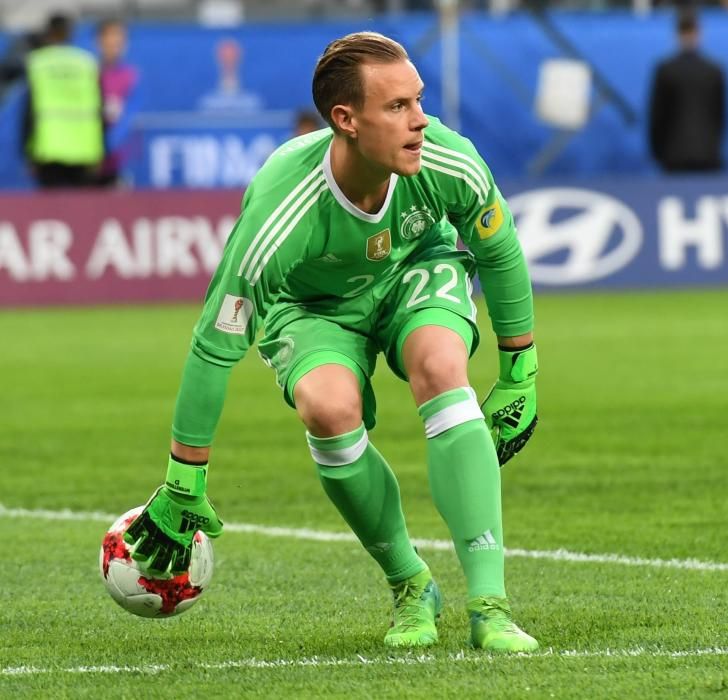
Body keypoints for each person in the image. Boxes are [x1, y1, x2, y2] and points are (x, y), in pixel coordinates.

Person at [122, 31, 540, 653]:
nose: (421, 121)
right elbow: (215, 344)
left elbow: (497, 250)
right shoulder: (279, 206)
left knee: (441, 364)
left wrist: (519, 373)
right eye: (397, 107)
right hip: (312, 307)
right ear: (345, 119)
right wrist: (184, 480)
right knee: (327, 408)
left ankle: (491, 604)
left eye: (418, 100)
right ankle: (411, 584)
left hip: (412, 272)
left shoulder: (446, 157)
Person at [21, 14, 104, 188]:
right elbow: (99, 109)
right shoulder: (86, 62)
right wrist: (101, 151)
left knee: (53, 210)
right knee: (82, 211)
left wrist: (27, 151)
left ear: (48, 33)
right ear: (70, 33)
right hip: (85, 148)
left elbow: (29, 111)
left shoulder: (38, 62)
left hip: (49, 147)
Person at [647, 10, 727, 173]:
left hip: (674, 155)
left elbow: (657, 116)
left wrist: (657, 151)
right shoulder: (714, 70)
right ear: (699, 33)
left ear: (677, 35)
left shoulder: (666, 70)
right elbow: (721, 116)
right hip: (708, 153)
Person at [95, 18, 139, 187]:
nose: (114, 44)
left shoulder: (131, 76)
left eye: (119, 39)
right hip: (89, 162)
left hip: (119, 162)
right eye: (109, 39)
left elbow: (131, 116)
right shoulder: (90, 72)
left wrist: (108, 148)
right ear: (99, 41)